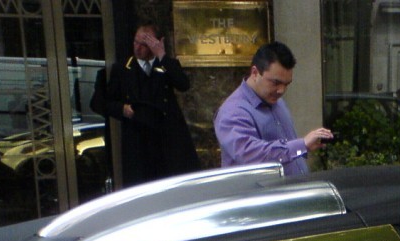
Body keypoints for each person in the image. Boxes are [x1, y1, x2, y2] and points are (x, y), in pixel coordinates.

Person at [103, 21, 200, 187]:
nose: (138, 48)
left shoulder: (166, 65)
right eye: (136, 42)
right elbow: (104, 102)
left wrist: (162, 55)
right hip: (138, 141)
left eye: (144, 44)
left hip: (166, 140)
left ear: (157, 43)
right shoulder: (122, 69)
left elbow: (183, 85)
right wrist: (122, 109)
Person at [214, 41, 332, 175]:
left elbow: (290, 151)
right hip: (262, 195)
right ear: (254, 73)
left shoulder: (277, 101)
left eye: (286, 84)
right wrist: (302, 145)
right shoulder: (233, 112)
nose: (281, 90)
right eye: (275, 83)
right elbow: (251, 156)